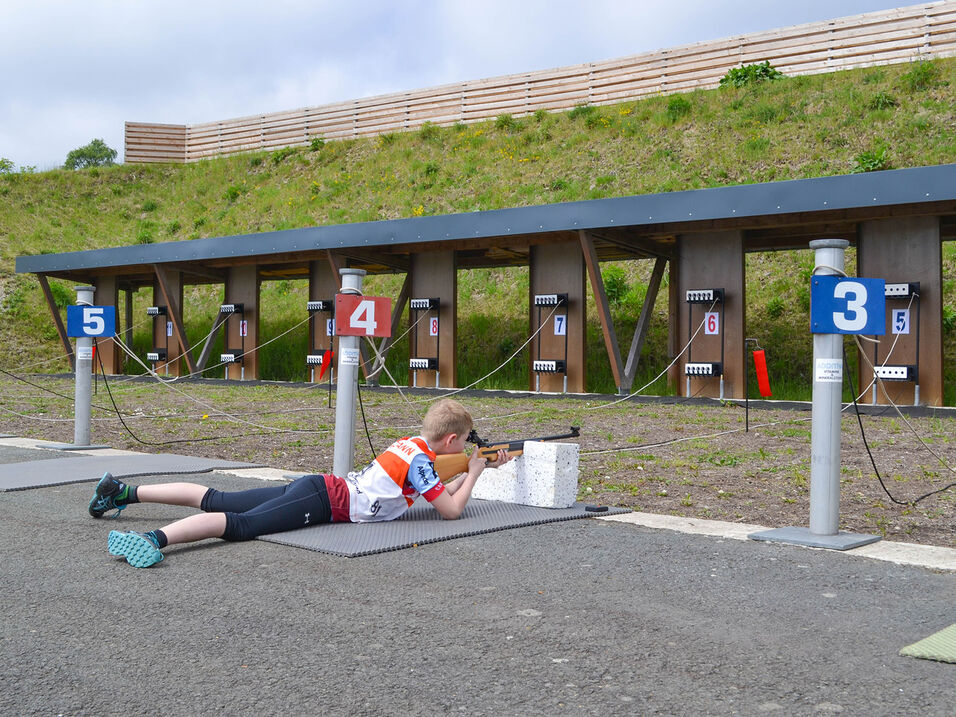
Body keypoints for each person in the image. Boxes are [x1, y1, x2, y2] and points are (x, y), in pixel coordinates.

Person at [89, 398, 510, 568]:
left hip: (318, 486)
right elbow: (451, 510)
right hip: (325, 500)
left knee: (219, 497)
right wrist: (473, 473)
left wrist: (475, 469)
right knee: (237, 524)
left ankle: (122, 491)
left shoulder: (412, 446)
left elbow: (436, 492)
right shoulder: (423, 463)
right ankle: (151, 539)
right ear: (453, 440)